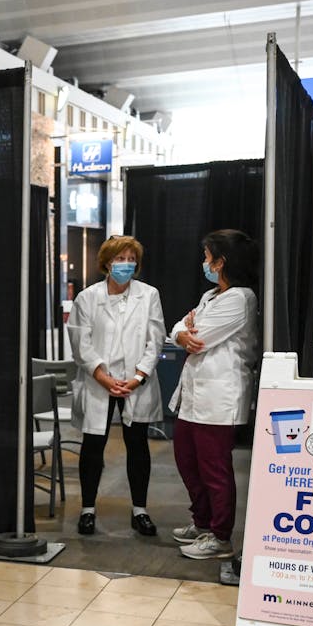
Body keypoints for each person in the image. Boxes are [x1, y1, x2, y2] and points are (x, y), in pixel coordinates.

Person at [169, 229, 260, 560]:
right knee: (187, 461)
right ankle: (203, 522)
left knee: (214, 470)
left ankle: (220, 537)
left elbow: (200, 337)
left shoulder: (241, 298)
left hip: (220, 398)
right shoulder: (210, 297)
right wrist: (182, 333)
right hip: (193, 397)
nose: (203, 263)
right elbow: (179, 327)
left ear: (221, 262)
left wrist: (187, 333)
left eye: (207, 257)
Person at [70, 235, 165, 537]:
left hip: (134, 382)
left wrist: (138, 377)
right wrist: (102, 376)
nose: (126, 265)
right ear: (106, 263)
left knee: (137, 444)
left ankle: (140, 510)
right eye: (119, 259)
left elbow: (155, 339)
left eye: (130, 259)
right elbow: (80, 342)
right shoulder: (87, 297)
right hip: (100, 380)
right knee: (93, 445)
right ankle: (87, 509)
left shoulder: (148, 294)